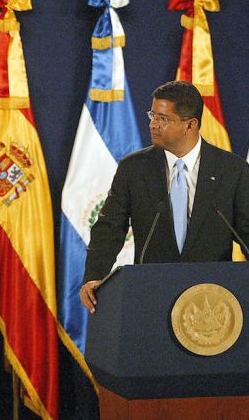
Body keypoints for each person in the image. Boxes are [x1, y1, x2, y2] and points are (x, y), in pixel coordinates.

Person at [80, 81, 249, 313]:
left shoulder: (232, 170)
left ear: (190, 125)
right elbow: (109, 229)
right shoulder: (134, 168)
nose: (153, 125)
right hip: (151, 295)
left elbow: (246, 231)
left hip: (212, 300)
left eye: (163, 119)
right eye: (152, 116)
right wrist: (94, 276)